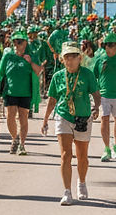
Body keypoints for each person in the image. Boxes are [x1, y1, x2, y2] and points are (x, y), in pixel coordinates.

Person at [41, 42, 101, 205]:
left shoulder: (87, 74)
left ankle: (81, 182)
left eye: (73, 56)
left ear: (79, 58)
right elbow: (52, 99)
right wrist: (46, 119)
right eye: (67, 57)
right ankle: (67, 191)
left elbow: (96, 94)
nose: (70, 60)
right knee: (66, 155)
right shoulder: (58, 76)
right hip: (63, 116)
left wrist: (96, 108)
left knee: (82, 156)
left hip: (83, 117)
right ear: (62, 59)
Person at [0, 31, 43, 156]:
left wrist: (30, 62)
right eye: (14, 41)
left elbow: (39, 71)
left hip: (25, 93)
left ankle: (22, 145)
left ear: (25, 43)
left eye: (19, 41)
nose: (16, 44)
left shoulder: (31, 55)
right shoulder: (8, 54)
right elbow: (1, 72)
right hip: (10, 91)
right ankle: (15, 138)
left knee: (23, 118)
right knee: (10, 117)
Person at [92, 32, 116, 162]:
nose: (111, 48)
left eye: (114, 45)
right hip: (104, 95)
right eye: (108, 45)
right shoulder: (100, 58)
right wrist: (95, 95)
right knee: (104, 119)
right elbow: (94, 76)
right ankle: (106, 148)